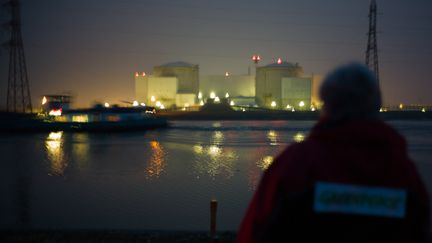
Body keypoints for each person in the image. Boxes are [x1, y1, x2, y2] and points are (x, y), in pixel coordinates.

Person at [237, 63, 430, 243]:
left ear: (326, 106)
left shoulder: (296, 164)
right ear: (376, 106)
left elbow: (254, 230)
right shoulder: (403, 172)